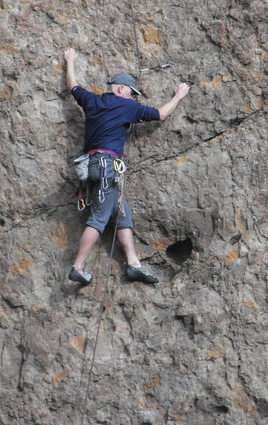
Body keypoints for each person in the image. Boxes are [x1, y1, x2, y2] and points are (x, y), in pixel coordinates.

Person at [64, 47, 190, 284]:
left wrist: (70, 61)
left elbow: (73, 87)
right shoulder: (126, 106)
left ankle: (134, 264)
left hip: (93, 166)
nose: (133, 98)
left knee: (122, 212)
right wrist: (178, 96)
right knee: (100, 217)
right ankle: (78, 266)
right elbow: (160, 114)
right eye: (132, 93)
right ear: (122, 89)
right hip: (106, 166)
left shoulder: (92, 100)